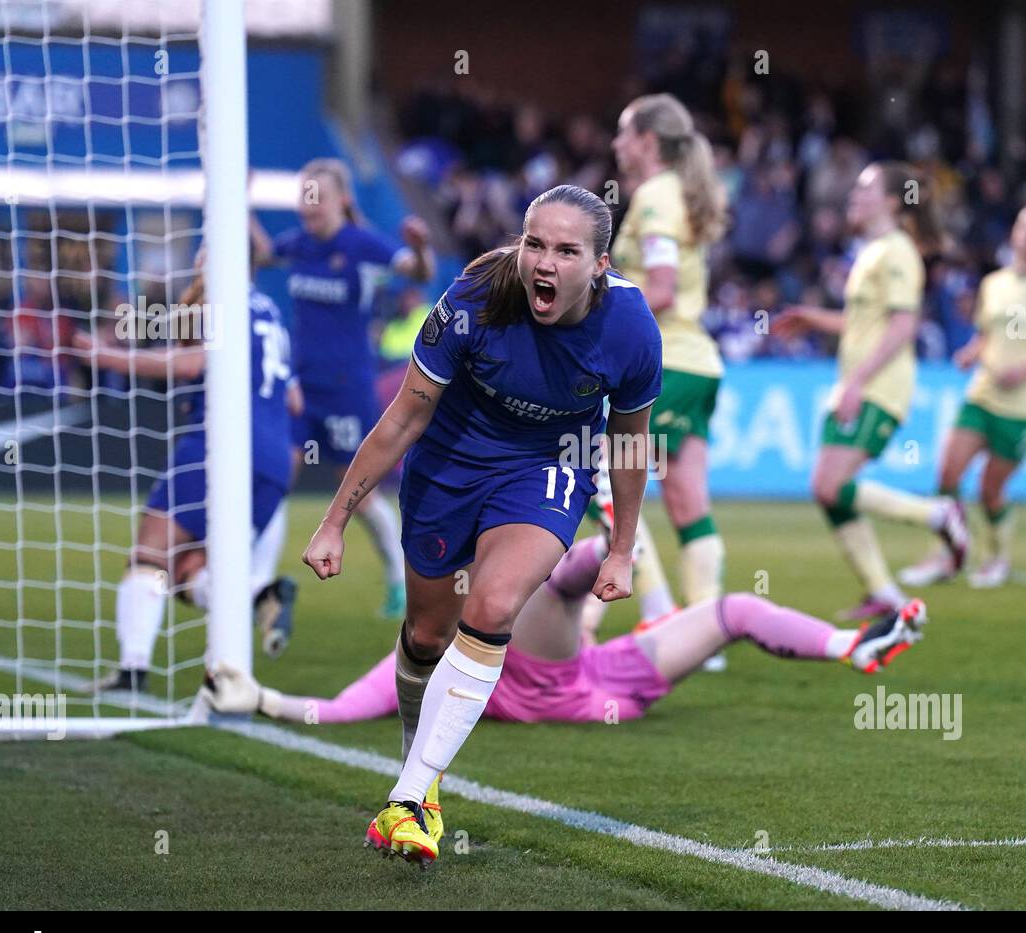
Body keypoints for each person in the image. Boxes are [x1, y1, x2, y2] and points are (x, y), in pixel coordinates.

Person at [296, 184, 663, 869]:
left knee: (492, 606)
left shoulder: (633, 329)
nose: (543, 264)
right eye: (534, 244)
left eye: (565, 250)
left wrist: (620, 548)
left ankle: (407, 798)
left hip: (548, 467)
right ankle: (421, 771)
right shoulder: (471, 299)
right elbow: (404, 417)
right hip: (449, 463)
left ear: (602, 264)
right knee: (427, 632)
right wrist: (334, 522)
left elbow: (631, 442)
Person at [231, 536, 926, 738]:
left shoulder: (416, 654)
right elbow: (347, 709)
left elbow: (338, 708)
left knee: (736, 610)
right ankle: (609, 541)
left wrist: (263, 699)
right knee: (557, 579)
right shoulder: (421, 656)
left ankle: (851, 644)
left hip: (595, 676)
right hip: (553, 680)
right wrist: (260, 698)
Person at [78, 267, 299, 692]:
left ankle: (132, 669)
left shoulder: (223, 304)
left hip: (220, 445)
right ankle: (258, 596)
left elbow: (193, 362)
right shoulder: (271, 313)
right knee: (189, 569)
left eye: (203, 255)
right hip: (273, 460)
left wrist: (105, 356)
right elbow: (294, 398)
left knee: (151, 553)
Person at [772, 162, 967, 620]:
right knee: (826, 490)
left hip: (878, 387)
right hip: (859, 383)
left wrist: (857, 383)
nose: (853, 197)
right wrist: (813, 318)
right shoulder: (874, 250)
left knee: (829, 484)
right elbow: (867, 322)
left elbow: (904, 324)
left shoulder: (898, 252)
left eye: (864, 189)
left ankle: (937, 515)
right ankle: (884, 593)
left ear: (893, 202)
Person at [251, 158, 436, 620]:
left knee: (357, 491)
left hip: (347, 387)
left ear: (343, 200)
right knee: (276, 477)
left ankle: (399, 581)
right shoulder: (301, 244)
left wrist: (422, 248)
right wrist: (240, 207)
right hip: (300, 386)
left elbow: (417, 271)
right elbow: (266, 253)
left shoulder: (361, 244)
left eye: (316, 196)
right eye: (303, 196)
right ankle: (258, 588)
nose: (307, 206)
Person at [900, 203, 1026, 588]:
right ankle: (947, 556)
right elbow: (987, 336)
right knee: (946, 474)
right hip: (982, 395)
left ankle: (996, 557)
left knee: (989, 489)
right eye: (1025, 227)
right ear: (1013, 233)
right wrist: (971, 353)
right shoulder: (994, 284)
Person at [610, 93, 730, 666]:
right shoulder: (675, 193)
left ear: (647, 143)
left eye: (623, 134)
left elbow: (659, 289)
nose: (615, 145)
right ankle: (704, 636)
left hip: (667, 362)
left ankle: (660, 613)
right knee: (687, 502)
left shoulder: (655, 196)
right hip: (697, 361)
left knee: (590, 470)